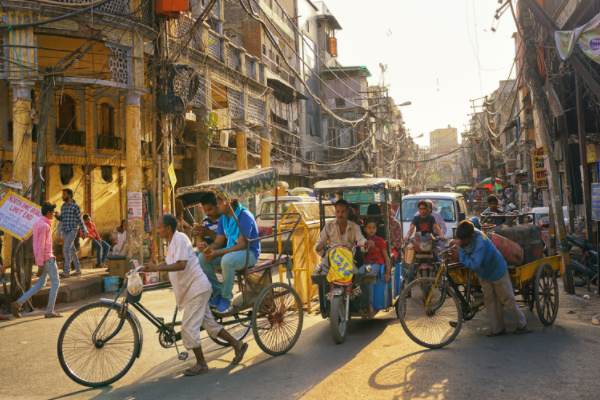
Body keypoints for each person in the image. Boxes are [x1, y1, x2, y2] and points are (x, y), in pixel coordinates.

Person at [141, 215, 248, 375]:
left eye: (159, 227)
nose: (157, 230)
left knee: (188, 328)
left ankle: (201, 363)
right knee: (210, 325)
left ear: (167, 228)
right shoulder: (171, 243)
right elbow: (170, 264)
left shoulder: (181, 239)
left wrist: (157, 269)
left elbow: (181, 264)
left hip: (197, 289)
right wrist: (154, 267)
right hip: (192, 290)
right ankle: (237, 344)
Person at [452, 220, 531, 336]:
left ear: (472, 236)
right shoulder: (470, 232)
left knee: (507, 298)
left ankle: (522, 324)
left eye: (464, 241)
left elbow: (475, 264)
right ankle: (498, 328)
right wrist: (462, 245)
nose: (462, 242)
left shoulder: (480, 242)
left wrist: (460, 250)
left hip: (497, 269)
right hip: (484, 273)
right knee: (490, 300)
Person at [198, 198, 261, 314]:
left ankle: (226, 299)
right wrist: (208, 248)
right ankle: (217, 293)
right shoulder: (223, 218)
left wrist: (217, 253)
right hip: (231, 251)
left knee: (227, 260)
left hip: (249, 253)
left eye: (220, 203)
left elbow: (242, 245)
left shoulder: (244, 215)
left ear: (229, 204)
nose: (218, 205)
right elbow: (218, 242)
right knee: (202, 257)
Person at [11, 202, 62, 319]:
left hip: (43, 259)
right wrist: (40, 266)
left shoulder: (38, 223)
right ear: (49, 213)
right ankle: (49, 311)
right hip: (47, 259)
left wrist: (39, 263)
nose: (54, 214)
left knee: (41, 284)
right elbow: (41, 246)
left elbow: (37, 246)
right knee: (56, 283)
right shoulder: (45, 226)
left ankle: (18, 303)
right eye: (53, 212)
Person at [315, 200, 374, 274]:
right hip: (331, 261)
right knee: (317, 272)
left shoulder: (355, 227)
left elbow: (361, 239)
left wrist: (366, 243)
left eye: (343, 211)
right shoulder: (328, 227)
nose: (340, 214)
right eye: (338, 211)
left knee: (356, 276)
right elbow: (319, 243)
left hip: (348, 261)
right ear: (335, 212)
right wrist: (319, 247)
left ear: (347, 212)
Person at [359, 219, 391, 311]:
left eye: (373, 228)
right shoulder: (363, 241)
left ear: (376, 229)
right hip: (367, 263)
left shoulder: (380, 241)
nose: (371, 230)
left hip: (377, 263)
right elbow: (364, 256)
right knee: (358, 274)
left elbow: (386, 258)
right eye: (369, 228)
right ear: (365, 229)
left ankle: (369, 304)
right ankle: (361, 302)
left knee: (369, 277)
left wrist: (387, 273)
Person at [55, 189, 87, 278]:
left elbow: (80, 219)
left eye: (64, 194)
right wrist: (56, 216)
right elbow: (61, 218)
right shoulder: (63, 207)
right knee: (72, 250)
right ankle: (78, 269)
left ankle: (66, 271)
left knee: (66, 249)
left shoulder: (75, 206)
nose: (62, 196)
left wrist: (83, 231)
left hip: (72, 230)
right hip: (65, 231)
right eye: (62, 194)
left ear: (69, 196)